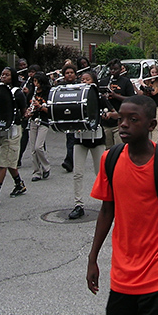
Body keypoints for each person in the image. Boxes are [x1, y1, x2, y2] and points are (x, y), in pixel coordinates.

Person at [86, 95, 158, 315]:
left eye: (133, 119)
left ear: (151, 125)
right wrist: (92, 259)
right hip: (122, 275)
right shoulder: (110, 159)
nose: (124, 124)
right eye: (121, 119)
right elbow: (106, 211)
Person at [0, 67, 27, 206]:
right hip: (0, 129)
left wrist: (26, 116)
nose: (3, 77)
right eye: (2, 74)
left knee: (3, 162)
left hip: (13, 130)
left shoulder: (18, 93)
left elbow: (23, 111)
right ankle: (19, 184)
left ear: (13, 77)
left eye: (7, 75)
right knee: (7, 159)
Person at [68, 70, 106, 220]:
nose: (84, 82)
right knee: (77, 173)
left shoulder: (99, 97)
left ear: (94, 81)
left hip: (97, 139)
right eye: (82, 79)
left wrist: (106, 115)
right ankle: (79, 204)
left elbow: (113, 112)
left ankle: (107, 202)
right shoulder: (76, 98)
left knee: (100, 174)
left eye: (87, 79)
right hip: (80, 139)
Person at [99, 58, 134, 148]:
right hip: (106, 121)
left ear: (120, 70)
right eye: (111, 69)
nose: (113, 71)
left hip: (120, 120)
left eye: (115, 69)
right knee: (107, 149)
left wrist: (116, 96)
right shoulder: (104, 82)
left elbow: (131, 100)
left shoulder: (125, 82)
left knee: (120, 148)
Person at [26, 71, 51, 182]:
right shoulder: (32, 93)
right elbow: (27, 107)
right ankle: (36, 172)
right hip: (33, 121)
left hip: (44, 121)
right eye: (34, 82)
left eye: (36, 81)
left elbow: (50, 110)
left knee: (38, 147)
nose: (35, 84)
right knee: (33, 149)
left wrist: (40, 107)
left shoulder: (48, 93)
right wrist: (28, 112)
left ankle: (46, 167)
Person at [138, 65, 158, 144]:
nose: (154, 74)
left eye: (155, 72)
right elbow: (141, 93)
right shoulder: (147, 81)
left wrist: (143, 84)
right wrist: (135, 86)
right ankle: (146, 143)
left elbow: (153, 92)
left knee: (155, 126)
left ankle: (154, 144)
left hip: (157, 106)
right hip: (147, 106)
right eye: (152, 72)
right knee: (146, 126)